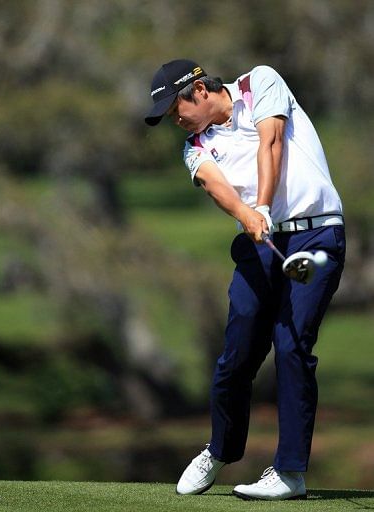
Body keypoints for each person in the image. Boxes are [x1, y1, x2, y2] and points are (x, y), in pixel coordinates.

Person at [144, 59, 346, 501]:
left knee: (292, 345)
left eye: (175, 109)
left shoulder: (260, 82)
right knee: (236, 355)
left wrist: (265, 207)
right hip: (259, 244)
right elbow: (219, 187)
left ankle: (290, 472)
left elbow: (270, 142)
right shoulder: (194, 146)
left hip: (316, 233)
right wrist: (247, 214)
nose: (174, 121)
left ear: (197, 90)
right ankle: (219, 450)